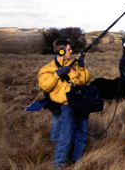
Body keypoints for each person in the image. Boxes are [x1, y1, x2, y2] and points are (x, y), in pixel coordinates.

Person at [37, 39, 91, 169]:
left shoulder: (74, 65)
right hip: (67, 107)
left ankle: (76, 162)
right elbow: (44, 86)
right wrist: (57, 75)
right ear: (61, 51)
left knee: (82, 137)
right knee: (65, 139)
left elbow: (85, 80)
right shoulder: (48, 68)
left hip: (80, 104)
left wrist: (82, 66)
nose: (71, 51)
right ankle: (58, 166)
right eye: (69, 49)